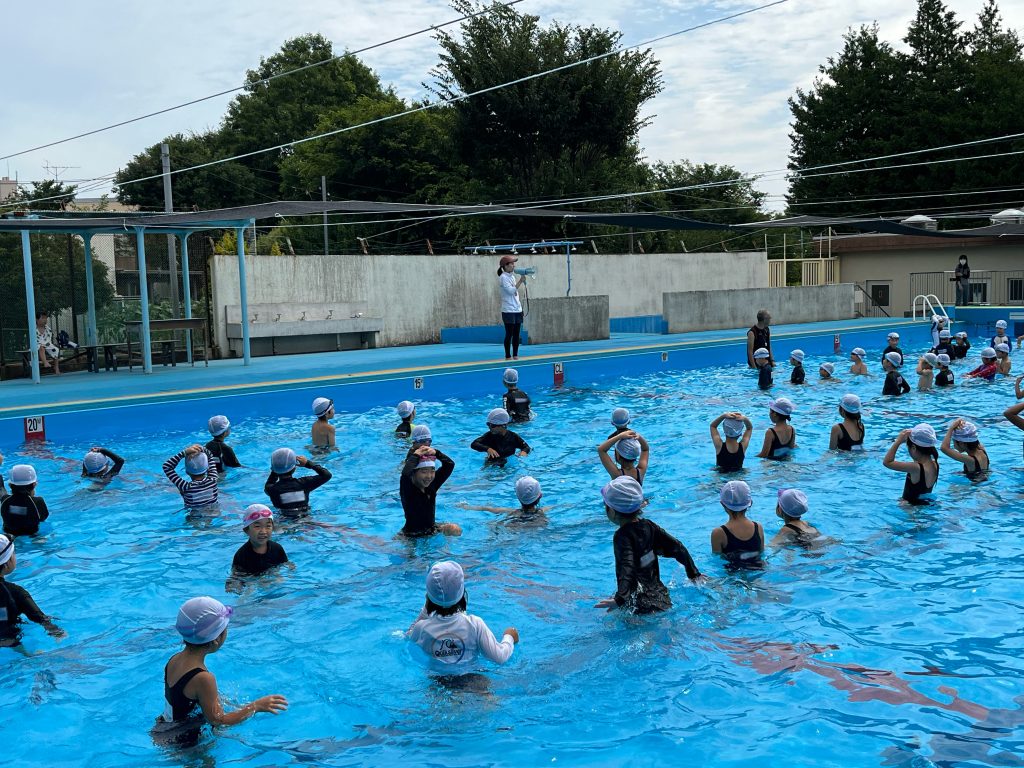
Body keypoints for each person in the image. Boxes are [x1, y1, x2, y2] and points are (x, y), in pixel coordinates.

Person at [155, 596, 287, 746]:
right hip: (185, 742)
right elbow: (218, 721)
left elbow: (183, 700)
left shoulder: (174, 660)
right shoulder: (204, 678)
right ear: (216, 639)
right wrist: (256, 706)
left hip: (164, 727)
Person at [595, 476, 703, 614]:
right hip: (661, 597)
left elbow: (626, 566)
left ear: (612, 511)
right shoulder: (649, 526)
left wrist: (620, 599)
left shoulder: (622, 536)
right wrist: (693, 573)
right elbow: (677, 547)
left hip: (639, 604)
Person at [408, 561, 518, 671]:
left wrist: (427, 606)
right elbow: (499, 658)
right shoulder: (475, 625)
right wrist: (509, 637)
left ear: (428, 598)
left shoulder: (422, 628)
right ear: (463, 594)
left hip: (437, 683)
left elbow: (408, 637)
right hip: (472, 681)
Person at [0, 534, 64, 646]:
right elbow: (40, 618)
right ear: (6, 564)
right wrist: (58, 632)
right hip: (9, 642)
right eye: (13, 553)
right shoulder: (16, 593)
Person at [399, 447, 460, 537]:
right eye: (424, 472)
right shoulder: (408, 490)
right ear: (414, 473)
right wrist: (416, 455)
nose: (429, 476)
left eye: (432, 471)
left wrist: (437, 453)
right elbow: (405, 475)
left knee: (455, 529)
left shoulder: (432, 485)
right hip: (412, 535)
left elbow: (449, 465)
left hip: (431, 529)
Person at [710, 480, 764, 567]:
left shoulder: (718, 533)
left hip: (732, 577)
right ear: (750, 503)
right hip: (758, 574)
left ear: (722, 504)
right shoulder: (758, 527)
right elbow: (761, 554)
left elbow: (717, 562)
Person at [883, 424, 940, 505]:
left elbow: (887, 462)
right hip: (925, 504)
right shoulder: (935, 464)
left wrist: (898, 441)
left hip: (909, 510)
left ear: (913, 448)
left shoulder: (915, 468)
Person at [263, 448, 331, 515]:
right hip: (305, 518)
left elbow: (270, 482)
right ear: (294, 468)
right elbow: (326, 475)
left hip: (282, 519)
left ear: (273, 468)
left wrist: (276, 468)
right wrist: (308, 463)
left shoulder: (271, 489)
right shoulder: (303, 483)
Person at [232, 504, 288, 576]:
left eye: (268, 526)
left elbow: (286, 564)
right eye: (257, 526)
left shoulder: (277, 549)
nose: (263, 531)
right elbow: (235, 578)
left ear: (273, 528)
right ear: (246, 530)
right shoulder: (241, 555)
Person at [458, 476, 549, 518]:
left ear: (517, 496)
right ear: (540, 496)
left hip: (511, 527)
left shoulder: (510, 513)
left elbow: (486, 508)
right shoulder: (542, 515)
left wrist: (465, 507)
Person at [163, 445, 218, 510]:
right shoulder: (213, 480)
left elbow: (166, 466)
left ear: (187, 471)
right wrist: (201, 448)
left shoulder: (185, 487)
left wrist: (183, 453)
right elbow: (210, 456)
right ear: (207, 467)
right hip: (214, 512)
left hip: (194, 517)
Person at [1, 464, 50, 536]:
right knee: (41, 538)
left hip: (8, 533)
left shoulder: (5, 499)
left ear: (10, 485)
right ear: (34, 484)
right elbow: (43, 517)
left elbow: (1, 490)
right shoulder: (37, 501)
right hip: (33, 533)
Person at [497, 254, 526, 360]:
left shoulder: (512, 277)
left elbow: (515, 293)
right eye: (512, 264)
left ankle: (515, 354)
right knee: (509, 333)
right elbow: (511, 291)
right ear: (505, 266)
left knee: (517, 334)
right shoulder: (503, 277)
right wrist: (520, 281)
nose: (514, 266)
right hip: (508, 310)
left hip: (516, 309)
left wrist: (520, 308)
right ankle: (508, 355)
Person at [35, 311, 61, 375]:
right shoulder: (33, 328)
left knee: (55, 349)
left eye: (46, 318)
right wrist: (41, 344)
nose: (45, 320)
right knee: (41, 348)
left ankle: (56, 367)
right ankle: (45, 362)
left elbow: (49, 339)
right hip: (37, 345)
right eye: (43, 318)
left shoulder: (48, 329)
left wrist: (46, 344)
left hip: (47, 343)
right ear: (37, 319)